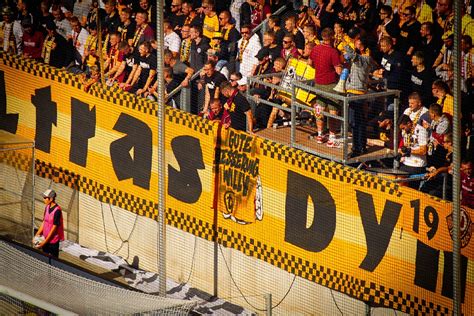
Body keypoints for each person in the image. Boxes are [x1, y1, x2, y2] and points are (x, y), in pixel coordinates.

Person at [398, 114, 429, 188]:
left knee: (410, 189)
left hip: (417, 165)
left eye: (404, 128)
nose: (403, 130)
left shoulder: (420, 131)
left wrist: (409, 151)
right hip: (406, 163)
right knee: (399, 184)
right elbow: (406, 146)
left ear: (409, 123)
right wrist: (401, 153)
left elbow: (424, 151)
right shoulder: (405, 132)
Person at [33, 189, 64, 258]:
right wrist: (36, 235)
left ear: (51, 199)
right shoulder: (47, 207)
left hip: (53, 241)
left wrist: (45, 241)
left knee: (53, 260)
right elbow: (44, 222)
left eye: (45, 198)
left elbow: (54, 228)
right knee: (45, 258)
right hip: (45, 238)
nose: (44, 199)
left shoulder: (57, 211)